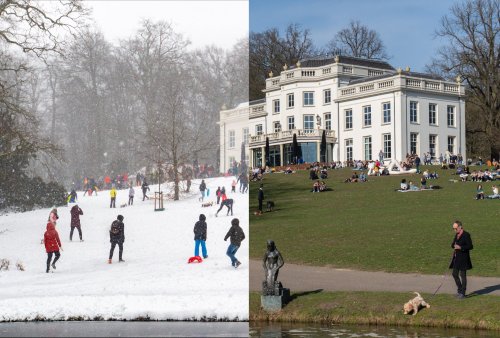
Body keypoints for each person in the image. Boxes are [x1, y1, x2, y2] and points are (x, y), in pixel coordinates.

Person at [449, 220, 473, 299]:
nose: (454, 230)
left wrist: (461, 247)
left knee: (463, 275)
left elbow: (470, 246)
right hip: (457, 258)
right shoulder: (457, 235)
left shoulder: (466, 235)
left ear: (460, 227)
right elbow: (453, 244)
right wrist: (454, 245)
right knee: (454, 274)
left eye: (455, 228)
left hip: (464, 259)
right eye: (453, 228)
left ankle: (463, 293)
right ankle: (459, 290)